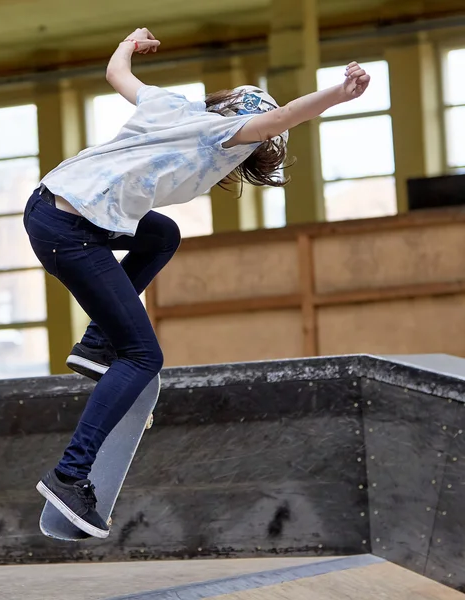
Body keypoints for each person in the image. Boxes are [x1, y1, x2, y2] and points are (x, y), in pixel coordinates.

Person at [24, 27, 371, 539]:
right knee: (142, 357)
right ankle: (70, 475)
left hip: (54, 205)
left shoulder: (174, 105)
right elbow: (281, 117)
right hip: (72, 232)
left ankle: (97, 342)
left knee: (161, 234)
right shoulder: (225, 137)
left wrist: (129, 42)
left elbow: (116, 73)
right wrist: (338, 94)